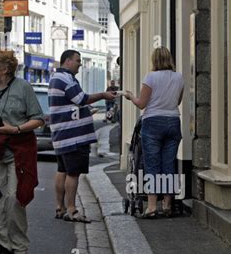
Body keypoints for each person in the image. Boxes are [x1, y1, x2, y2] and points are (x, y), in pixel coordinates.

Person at [0, 50, 44, 254]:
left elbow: (38, 119)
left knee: (15, 199)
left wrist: (14, 129)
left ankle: (20, 249)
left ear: (5, 69)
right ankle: (4, 247)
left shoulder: (23, 88)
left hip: (18, 151)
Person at [48, 50, 117, 222]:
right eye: (77, 61)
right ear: (68, 61)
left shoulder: (56, 78)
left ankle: (60, 207)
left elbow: (70, 106)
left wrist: (85, 112)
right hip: (74, 135)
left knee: (62, 170)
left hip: (61, 134)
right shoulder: (66, 78)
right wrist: (102, 95)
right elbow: (81, 99)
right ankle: (72, 209)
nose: (80, 64)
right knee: (73, 173)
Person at [124, 46, 184, 218]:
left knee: (152, 164)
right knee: (169, 164)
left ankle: (151, 207)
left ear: (154, 60)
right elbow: (177, 101)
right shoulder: (179, 77)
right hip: (173, 121)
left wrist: (130, 96)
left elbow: (142, 103)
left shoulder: (151, 77)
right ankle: (167, 204)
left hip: (153, 122)